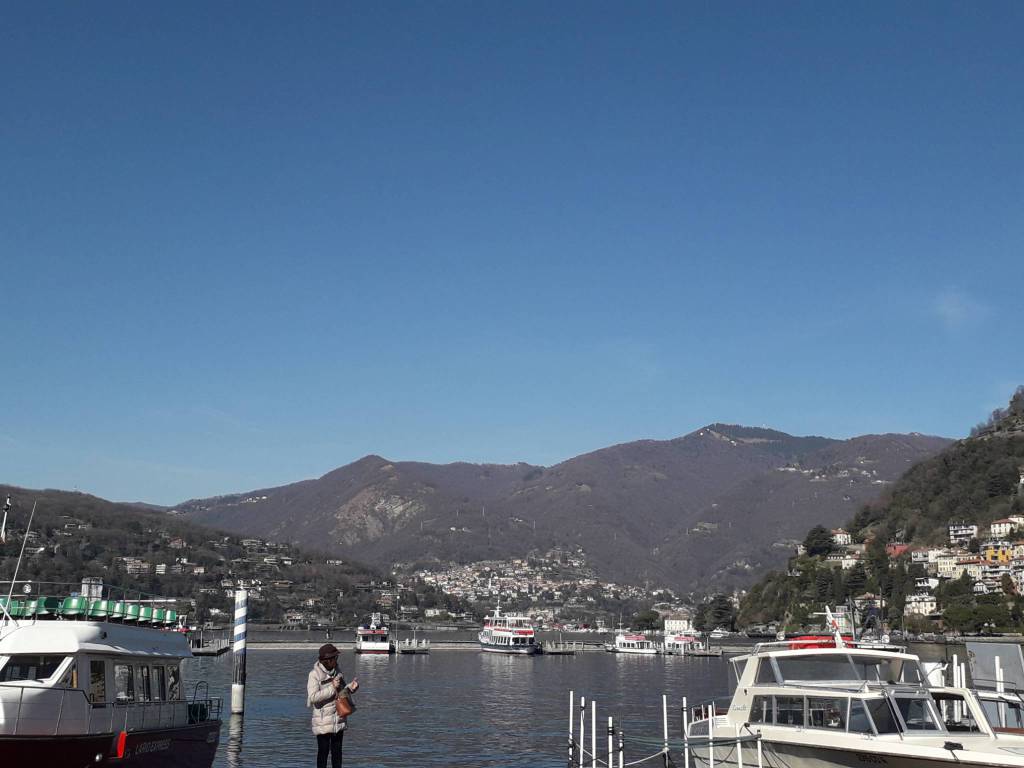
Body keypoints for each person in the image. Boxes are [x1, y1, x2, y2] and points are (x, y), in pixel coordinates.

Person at [307, 643, 359, 768]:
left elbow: (341, 692)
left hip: (338, 718)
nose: (337, 660)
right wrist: (332, 688)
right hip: (323, 720)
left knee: (337, 753)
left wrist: (351, 688)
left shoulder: (338, 672)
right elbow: (313, 697)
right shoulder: (314, 675)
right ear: (327, 660)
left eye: (337, 658)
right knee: (323, 753)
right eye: (335, 658)